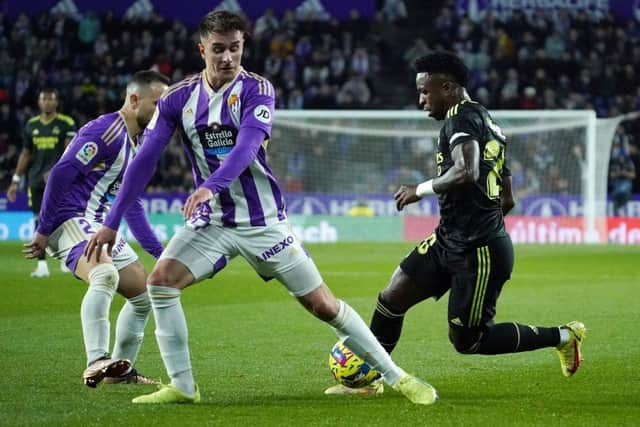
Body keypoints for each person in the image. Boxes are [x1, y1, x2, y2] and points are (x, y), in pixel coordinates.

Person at [86, 10, 437, 405]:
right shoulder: (178, 98)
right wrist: (112, 222)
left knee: (323, 305)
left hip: (263, 221)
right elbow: (145, 159)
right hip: (213, 222)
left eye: (235, 48)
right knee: (161, 282)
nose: (227, 58)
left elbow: (247, 147)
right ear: (202, 49)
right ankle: (183, 386)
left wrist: (208, 186)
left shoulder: (257, 90)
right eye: (218, 49)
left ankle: (398, 377)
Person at [325, 51, 586, 397]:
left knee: (468, 340)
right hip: (451, 239)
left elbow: (467, 171)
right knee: (391, 298)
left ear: (447, 88)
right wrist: (469, 223)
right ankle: (373, 379)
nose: (421, 101)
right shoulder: (489, 123)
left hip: (478, 251)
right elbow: (507, 199)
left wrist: (419, 190)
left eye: (425, 92)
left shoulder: (460, 119)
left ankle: (564, 336)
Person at [23, 71, 170, 387]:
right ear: (133, 100)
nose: (163, 111)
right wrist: (43, 229)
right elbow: (60, 174)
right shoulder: (105, 131)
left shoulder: (138, 142)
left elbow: (131, 203)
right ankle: (96, 360)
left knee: (145, 296)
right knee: (105, 275)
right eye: (157, 104)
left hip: (98, 223)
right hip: (69, 219)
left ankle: (119, 373)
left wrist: (162, 253)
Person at [7, 89, 77, 277]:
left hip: (60, 181)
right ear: (39, 102)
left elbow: (70, 151)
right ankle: (42, 266)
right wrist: (15, 179)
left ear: (56, 102)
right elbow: (26, 153)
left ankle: (67, 259)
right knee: (39, 220)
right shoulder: (31, 125)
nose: (46, 102)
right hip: (36, 181)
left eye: (50, 99)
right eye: (43, 99)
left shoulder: (66, 123)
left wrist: (57, 171)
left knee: (64, 217)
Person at [609, 126, 636, 216]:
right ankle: (617, 212)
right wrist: (618, 173)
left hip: (625, 182)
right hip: (617, 182)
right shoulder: (615, 162)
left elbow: (633, 175)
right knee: (617, 190)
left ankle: (623, 207)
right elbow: (612, 175)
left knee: (625, 187)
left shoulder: (628, 162)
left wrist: (624, 173)